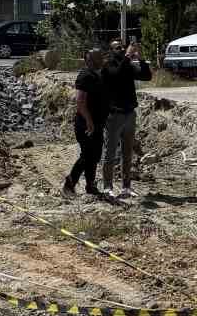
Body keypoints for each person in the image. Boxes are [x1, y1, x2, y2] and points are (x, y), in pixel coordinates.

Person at [100, 38, 152, 199]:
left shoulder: (127, 64)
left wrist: (141, 58)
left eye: (123, 47)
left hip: (130, 113)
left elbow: (146, 76)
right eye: (117, 48)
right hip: (114, 115)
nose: (122, 50)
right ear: (111, 51)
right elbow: (116, 76)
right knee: (110, 153)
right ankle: (107, 186)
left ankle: (126, 187)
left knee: (127, 152)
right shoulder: (108, 65)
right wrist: (128, 56)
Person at [63, 48, 110, 198]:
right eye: (99, 58)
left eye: (101, 57)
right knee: (87, 155)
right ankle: (70, 183)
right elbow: (80, 101)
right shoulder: (85, 76)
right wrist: (89, 121)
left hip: (98, 123)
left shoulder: (99, 75)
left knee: (95, 155)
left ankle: (90, 185)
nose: (102, 60)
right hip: (86, 124)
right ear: (90, 60)